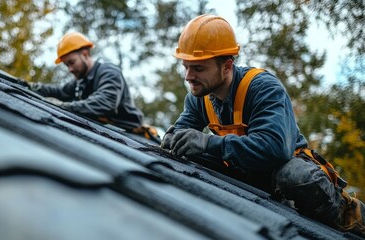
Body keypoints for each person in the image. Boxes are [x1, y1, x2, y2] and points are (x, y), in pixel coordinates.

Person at [161, 14, 364, 235]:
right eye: (186, 67)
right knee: (190, 151)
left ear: (227, 66)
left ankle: (346, 213)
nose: (188, 76)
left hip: (288, 177)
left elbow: (274, 149)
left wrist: (207, 143)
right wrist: (176, 139)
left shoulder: (263, 88)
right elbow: (180, 134)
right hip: (249, 176)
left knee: (294, 175)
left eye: (198, 68)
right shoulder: (198, 97)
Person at [29, 32, 158, 142]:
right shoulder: (80, 80)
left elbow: (105, 102)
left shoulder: (109, 72)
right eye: (66, 65)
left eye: (72, 62)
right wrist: (33, 87)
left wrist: (64, 106)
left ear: (85, 54)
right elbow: (60, 92)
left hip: (132, 137)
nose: (70, 69)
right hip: (107, 132)